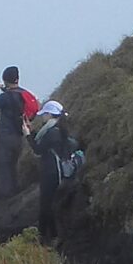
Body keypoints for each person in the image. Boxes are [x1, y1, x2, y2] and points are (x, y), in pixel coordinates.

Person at [30, 100, 83, 247]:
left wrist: (28, 134)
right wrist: (32, 133)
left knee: (46, 206)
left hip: (52, 173)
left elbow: (38, 149)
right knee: (50, 205)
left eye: (44, 114)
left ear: (49, 115)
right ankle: (49, 236)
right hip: (57, 173)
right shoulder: (58, 130)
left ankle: (46, 237)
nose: (42, 117)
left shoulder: (51, 132)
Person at [0, 67, 39, 200]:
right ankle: (15, 193)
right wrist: (0, 86)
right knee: (13, 165)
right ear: (17, 79)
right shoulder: (24, 94)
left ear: (4, 80)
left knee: (4, 166)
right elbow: (13, 92)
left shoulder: (5, 97)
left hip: (6, 137)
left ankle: (6, 196)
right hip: (20, 136)